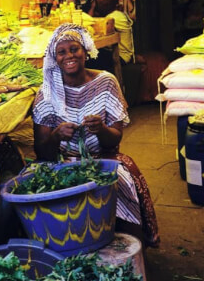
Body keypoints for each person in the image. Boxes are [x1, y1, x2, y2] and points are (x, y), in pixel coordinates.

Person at [32, 23, 160, 248]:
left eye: (74, 49)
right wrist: (56, 136)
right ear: (55, 58)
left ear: (85, 51)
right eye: (61, 52)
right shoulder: (47, 92)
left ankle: (132, 249)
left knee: (124, 179)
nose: (69, 56)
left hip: (102, 159)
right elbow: (41, 151)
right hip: (61, 165)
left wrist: (101, 129)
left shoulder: (105, 82)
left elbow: (115, 138)